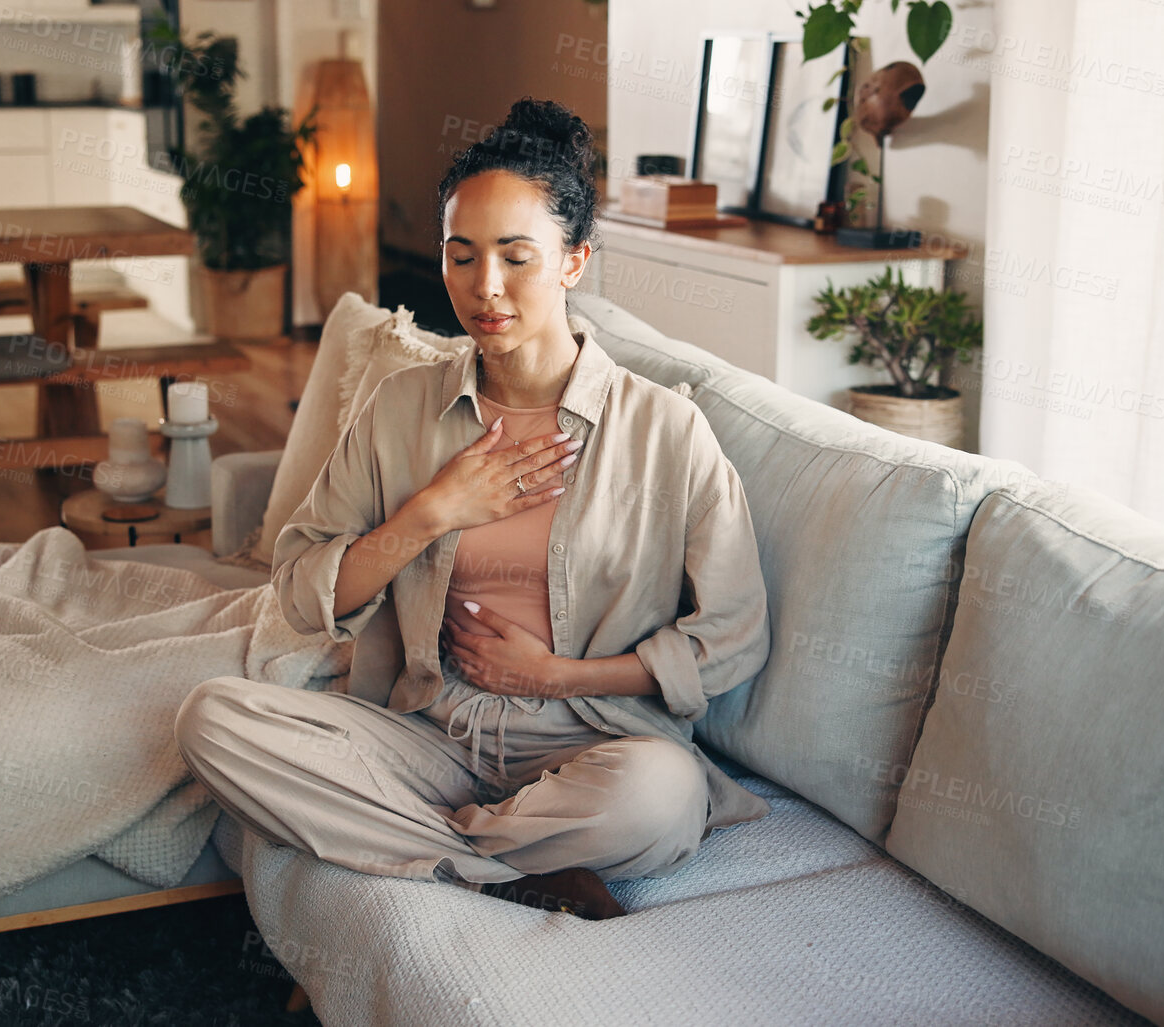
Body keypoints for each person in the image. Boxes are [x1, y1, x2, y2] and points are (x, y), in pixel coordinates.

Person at [174, 97, 771, 920]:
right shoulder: (398, 408)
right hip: (428, 730)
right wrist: (428, 513)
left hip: (593, 743)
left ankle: (428, 848)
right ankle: (511, 866)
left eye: (516, 257)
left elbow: (734, 634)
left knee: (661, 798)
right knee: (214, 719)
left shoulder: (665, 431)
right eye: (460, 256)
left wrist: (561, 675)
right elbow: (302, 587)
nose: (483, 288)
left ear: (574, 261)